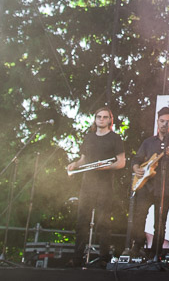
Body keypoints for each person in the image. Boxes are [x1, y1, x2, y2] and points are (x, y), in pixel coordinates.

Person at [66, 107, 126, 264]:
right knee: (82, 221)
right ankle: (77, 258)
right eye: (99, 116)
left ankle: (103, 258)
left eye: (105, 117)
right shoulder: (89, 138)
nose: (101, 119)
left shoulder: (115, 138)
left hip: (105, 186)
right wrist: (75, 164)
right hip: (87, 185)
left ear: (109, 120)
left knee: (104, 222)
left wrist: (106, 167)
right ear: (95, 119)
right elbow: (84, 159)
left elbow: (121, 162)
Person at [126, 106, 169, 260]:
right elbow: (136, 159)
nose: (164, 124)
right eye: (162, 121)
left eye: (168, 122)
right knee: (139, 217)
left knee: (160, 222)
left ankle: (155, 253)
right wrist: (136, 169)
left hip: (165, 189)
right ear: (157, 122)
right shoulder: (148, 142)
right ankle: (137, 247)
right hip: (146, 187)